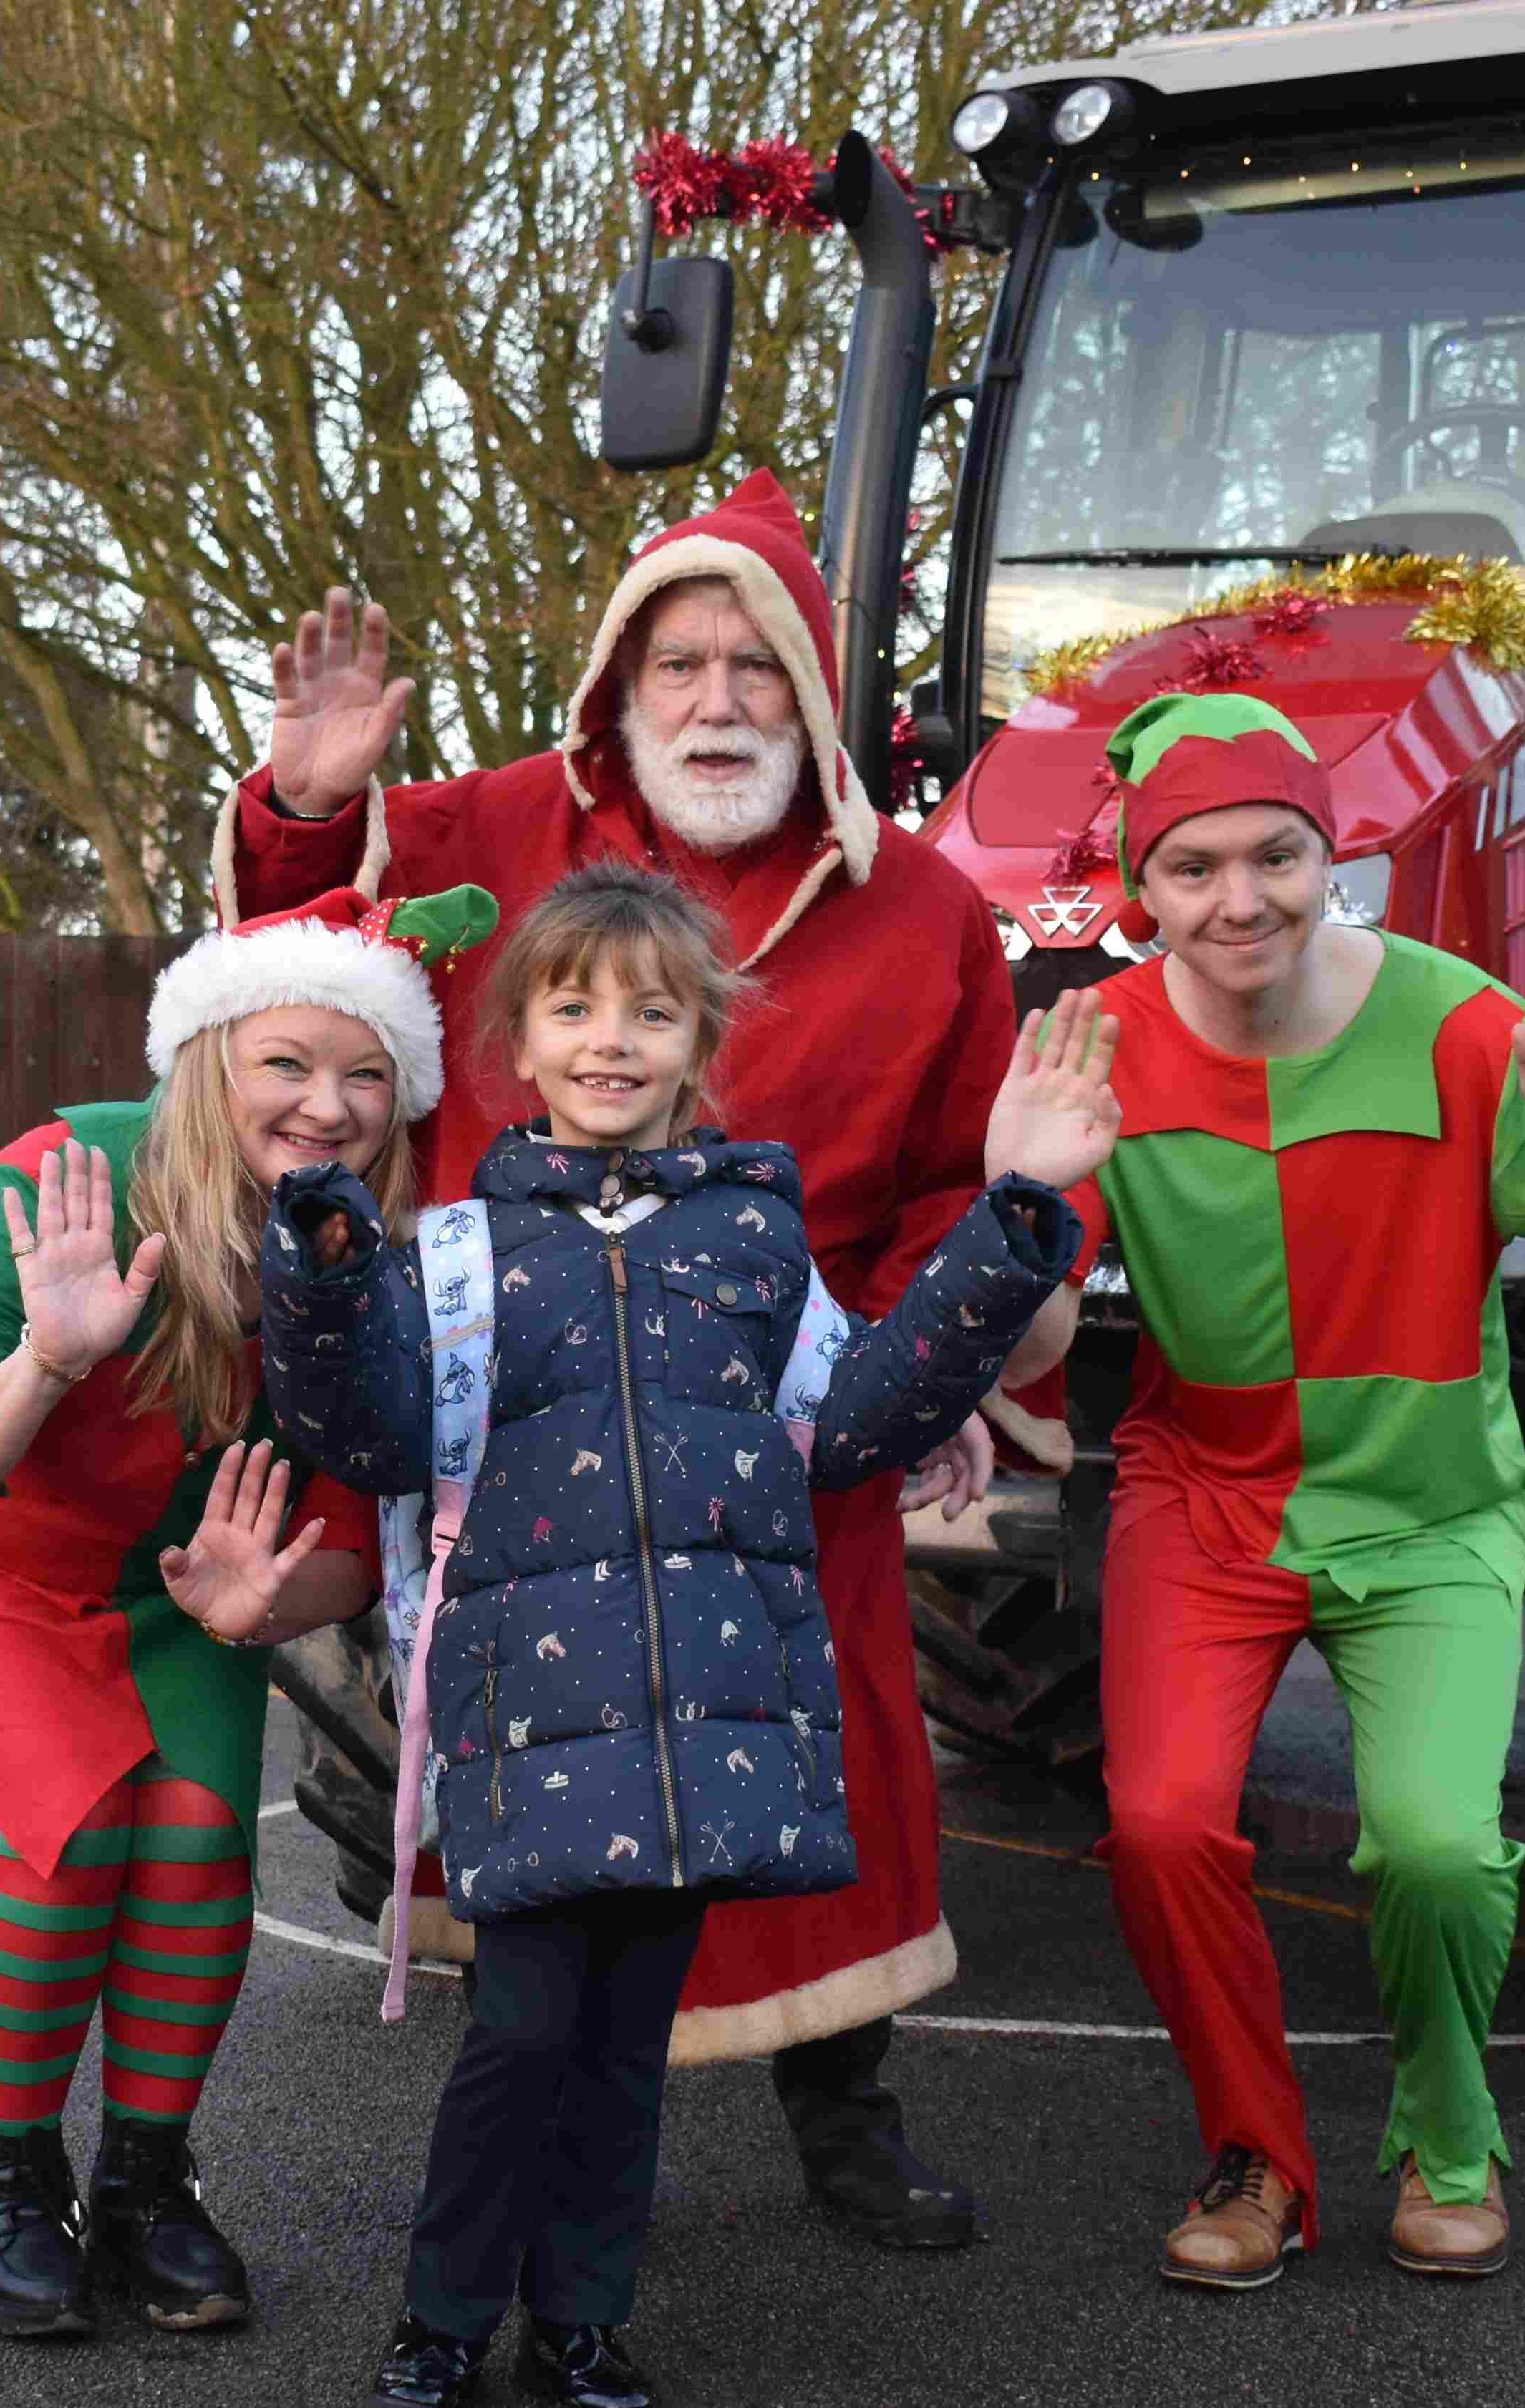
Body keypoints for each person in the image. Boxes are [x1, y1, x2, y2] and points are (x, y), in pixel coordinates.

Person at [223, 469, 1024, 2246]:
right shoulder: (489, 831)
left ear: (815, 691)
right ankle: (524, 2184)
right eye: (680, 663)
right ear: (620, 683)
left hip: (790, 1421)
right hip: (525, 1421)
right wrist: (305, 799)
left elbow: (965, 1174)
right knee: (542, 1781)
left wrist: (920, 1379)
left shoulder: (930, 910)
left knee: (843, 1748)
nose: (718, 700)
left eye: (757, 666)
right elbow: (298, 966)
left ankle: (848, 2110)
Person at [203, 862, 1109, 2408]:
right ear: (522, 1041)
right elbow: (367, 1435)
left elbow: (853, 1424)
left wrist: (1019, 1214)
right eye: (574, 1006)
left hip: (704, 1715)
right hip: (533, 1717)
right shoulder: (455, 1251)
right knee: (518, 2036)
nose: (611, 1037)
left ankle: (580, 2325)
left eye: (651, 1009)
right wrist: (321, 1271)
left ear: (698, 1041)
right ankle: (440, 2322)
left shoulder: (757, 1243)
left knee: (626, 2050)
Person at [992, 691, 1525, 2289]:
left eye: (1278, 853)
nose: (1239, 898)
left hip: (1432, 1496)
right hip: (1209, 1489)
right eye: (1192, 867)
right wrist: (1019, 1205)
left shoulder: (1461, 1022)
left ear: (1336, 856)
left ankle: (1449, 2132)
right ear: (1141, 886)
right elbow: (1036, 1349)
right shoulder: (1096, 1046)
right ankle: (1257, 2153)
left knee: (1437, 1845)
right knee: (1162, 1821)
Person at [0, 880, 496, 2341]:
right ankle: (14, 2182)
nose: (330, 1103)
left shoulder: (382, 1258)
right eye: (289, 1063)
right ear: (208, 1064)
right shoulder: (63, 1176)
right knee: (76, 1830)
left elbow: (367, 1540)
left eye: (367, 1071)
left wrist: (268, 1599)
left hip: (188, 1581)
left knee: (193, 1843)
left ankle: (144, 2181)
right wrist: (50, 1362)